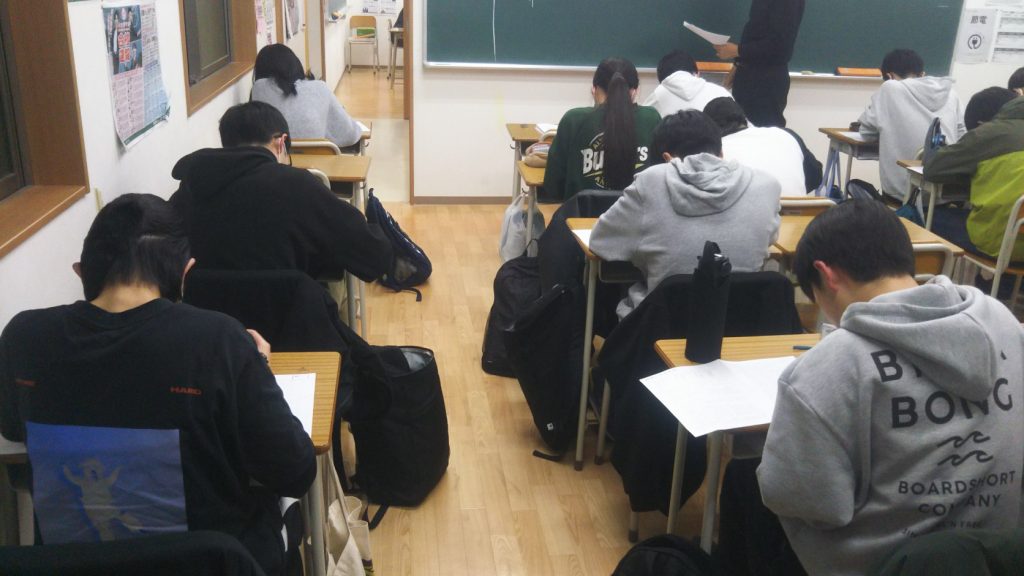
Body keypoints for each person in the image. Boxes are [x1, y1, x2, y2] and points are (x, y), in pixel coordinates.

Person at [0, 194, 316, 576]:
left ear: (82, 272)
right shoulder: (218, 341)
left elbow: (13, 428)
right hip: (209, 566)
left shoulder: (23, 337)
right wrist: (259, 364)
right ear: (185, 272)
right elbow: (294, 470)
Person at [757, 199, 1024, 576]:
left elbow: (814, 506)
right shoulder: (1003, 321)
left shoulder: (828, 365)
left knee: (747, 488)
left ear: (826, 275)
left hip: (885, 565)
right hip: (998, 556)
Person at [170, 101, 393, 281]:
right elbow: (373, 257)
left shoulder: (192, 185)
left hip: (209, 317)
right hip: (290, 316)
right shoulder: (298, 186)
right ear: (281, 143)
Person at [589, 110, 781, 319]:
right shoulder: (767, 185)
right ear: (721, 153)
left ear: (667, 159)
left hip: (661, 326)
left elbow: (600, 242)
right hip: (744, 325)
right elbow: (770, 240)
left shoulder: (652, 181)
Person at [924, 90, 1024, 261]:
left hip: (1004, 245)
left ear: (980, 124)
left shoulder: (989, 133)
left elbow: (932, 170)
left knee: (928, 215)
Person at [543, 58, 661, 201]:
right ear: (635, 91)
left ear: (594, 89)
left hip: (582, 214)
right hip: (638, 214)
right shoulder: (651, 118)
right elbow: (660, 179)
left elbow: (553, 185)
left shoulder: (573, 120)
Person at [858, 49, 965, 200]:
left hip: (904, 195)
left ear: (889, 76)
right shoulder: (950, 93)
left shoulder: (890, 88)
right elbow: (962, 135)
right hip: (946, 193)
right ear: (922, 74)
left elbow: (866, 133)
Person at [251, 43, 363, 149]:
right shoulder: (319, 88)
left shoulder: (258, 89)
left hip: (273, 162)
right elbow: (350, 134)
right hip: (315, 162)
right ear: (295, 65)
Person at [714, 0, 805, 128]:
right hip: (748, 77)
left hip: (765, 83)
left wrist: (737, 51)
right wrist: (738, 64)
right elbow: (755, 33)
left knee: (763, 135)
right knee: (740, 131)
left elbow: (781, 45)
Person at [703, 96, 812, 195]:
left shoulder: (715, 151)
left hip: (753, 209)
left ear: (709, 128)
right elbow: (815, 176)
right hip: (801, 208)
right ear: (745, 119)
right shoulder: (786, 135)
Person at [642, 49, 732, 117]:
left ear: (662, 81)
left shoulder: (658, 95)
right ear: (698, 73)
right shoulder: (721, 92)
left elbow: (642, 122)